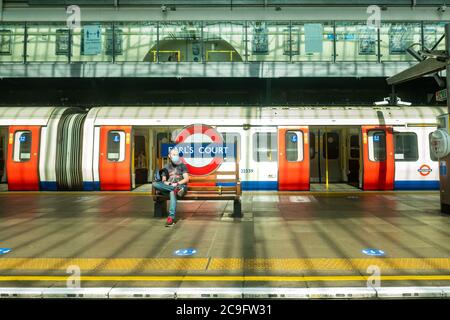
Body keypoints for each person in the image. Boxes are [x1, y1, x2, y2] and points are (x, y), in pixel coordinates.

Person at [152, 148, 189, 226]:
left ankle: (171, 217)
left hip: (180, 187)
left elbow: (186, 179)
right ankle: (175, 189)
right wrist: (169, 184)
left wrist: (177, 183)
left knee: (172, 192)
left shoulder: (182, 166)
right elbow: (164, 180)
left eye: (177, 154)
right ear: (169, 156)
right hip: (170, 188)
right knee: (155, 184)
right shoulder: (166, 167)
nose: (176, 156)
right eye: (174, 154)